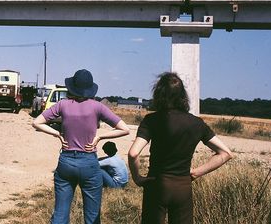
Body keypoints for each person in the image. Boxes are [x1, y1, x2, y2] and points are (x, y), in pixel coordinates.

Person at [128, 72, 233, 224]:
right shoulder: (197, 123)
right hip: (183, 186)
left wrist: (137, 178)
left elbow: (133, 153)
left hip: (156, 184)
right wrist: (197, 172)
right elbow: (226, 153)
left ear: (158, 93)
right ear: (182, 95)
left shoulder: (151, 120)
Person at [33, 69, 130, 224]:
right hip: (89, 163)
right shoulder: (98, 107)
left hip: (66, 161)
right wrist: (100, 137)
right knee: (92, 217)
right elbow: (124, 129)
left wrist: (57, 134)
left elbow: (36, 122)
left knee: (60, 214)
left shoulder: (63, 105)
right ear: (90, 89)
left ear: (72, 87)